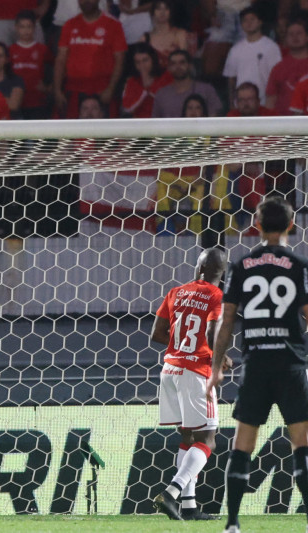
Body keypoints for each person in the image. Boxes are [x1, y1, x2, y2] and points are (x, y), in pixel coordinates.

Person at [209, 196, 308, 533]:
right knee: (302, 442)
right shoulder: (298, 265)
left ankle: (233, 523)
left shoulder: (242, 265)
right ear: (292, 226)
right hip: (291, 362)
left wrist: (216, 367)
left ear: (257, 224)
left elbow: (227, 320)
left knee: (243, 443)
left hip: (256, 364)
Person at [151, 247, 227, 521]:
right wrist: (218, 360)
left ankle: (189, 507)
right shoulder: (216, 295)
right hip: (196, 372)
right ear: (224, 273)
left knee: (187, 437)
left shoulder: (175, 292)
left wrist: (183, 346)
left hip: (170, 368)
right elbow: (211, 331)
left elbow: (157, 333)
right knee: (208, 439)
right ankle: (171, 493)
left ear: (198, 269)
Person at [53, 0, 127, 118]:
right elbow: (60, 60)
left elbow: (119, 60)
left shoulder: (114, 25)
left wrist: (110, 89)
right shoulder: (69, 25)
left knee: (106, 134)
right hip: (73, 89)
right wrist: (57, 90)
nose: (86, 1)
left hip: (103, 90)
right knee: (71, 134)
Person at [223, 6, 281, 108]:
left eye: (252, 19)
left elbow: (277, 77)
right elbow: (231, 80)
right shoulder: (235, 50)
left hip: (265, 105)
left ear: (260, 22)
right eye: (245, 20)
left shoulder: (271, 47)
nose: (248, 23)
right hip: (241, 107)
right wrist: (232, 105)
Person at [152, 50, 222, 118]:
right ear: (169, 68)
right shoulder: (162, 94)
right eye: (173, 63)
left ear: (190, 65)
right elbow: (155, 124)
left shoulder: (206, 90)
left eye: (182, 62)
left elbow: (214, 120)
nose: (178, 67)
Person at [10, 10, 53, 119]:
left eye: (29, 27)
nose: (26, 31)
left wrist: (48, 88)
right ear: (16, 28)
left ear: (34, 28)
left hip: (37, 102)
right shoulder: (10, 50)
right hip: (17, 102)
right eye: (22, 27)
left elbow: (56, 69)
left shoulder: (42, 49)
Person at [266, 19, 308, 115]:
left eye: (299, 33)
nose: (295, 37)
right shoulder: (278, 68)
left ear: (307, 37)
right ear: (285, 39)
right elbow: (270, 100)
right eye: (291, 34)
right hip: (284, 124)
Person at [121, 42, 171, 118]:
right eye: (138, 62)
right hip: (140, 124)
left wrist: (148, 86)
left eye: (145, 60)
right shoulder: (132, 81)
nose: (142, 65)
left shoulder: (166, 76)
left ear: (153, 59)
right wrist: (144, 86)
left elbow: (167, 102)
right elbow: (128, 108)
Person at [142, 0, 191, 68]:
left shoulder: (180, 34)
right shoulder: (144, 38)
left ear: (170, 12)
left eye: (166, 8)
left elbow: (185, 62)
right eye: (158, 8)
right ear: (152, 13)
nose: (162, 12)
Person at [0, 42, 25, 119]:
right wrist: (5, 99)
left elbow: (14, 105)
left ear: (6, 59)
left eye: (1, 56)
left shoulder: (16, 80)